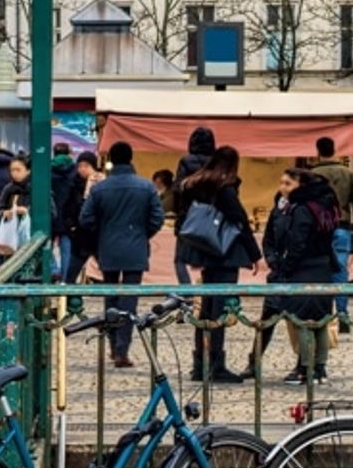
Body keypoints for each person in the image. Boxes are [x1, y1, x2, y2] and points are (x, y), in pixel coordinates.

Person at [80, 142, 167, 368]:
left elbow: (86, 219)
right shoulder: (146, 187)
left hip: (107, 248)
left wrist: (103, 234)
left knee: (110, 298)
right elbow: (157, 218)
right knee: (130, 300)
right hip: (135, 248)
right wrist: (142, 233)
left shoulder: (100, 188)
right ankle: (122, 349)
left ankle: (112, 344)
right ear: (130, 158)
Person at [179, 145, 261, 383]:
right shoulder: (225, 188)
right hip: (224, 252)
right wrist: (254, 253)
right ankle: (215, 364)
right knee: (219, 308)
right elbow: (240, 221)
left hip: (206, 251)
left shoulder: (194, 184)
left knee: (206, 307)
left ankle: (200, 363)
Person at [262, 168, 341, 385]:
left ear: (301, 185)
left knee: (304, 320)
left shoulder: (302, 209)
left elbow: (298, 242)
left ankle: (306, 368)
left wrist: (286, 269)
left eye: (288, 183)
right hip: (323, 266)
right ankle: (319, 368)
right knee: (320, 319)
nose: (282, 187)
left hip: (305, 268)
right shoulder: (323, 204)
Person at [311, 136, 353, 328]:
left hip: (318, 228)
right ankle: (342, 313)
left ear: (317, 151)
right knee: (340, 269)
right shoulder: (348, 174)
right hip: (342, 225)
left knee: (319, 268)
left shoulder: (312, 174)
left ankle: (322, 313)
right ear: (335, 150)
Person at [173, 126, 217, 290]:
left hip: (189, 217)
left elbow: (178, 190)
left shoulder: (186, 161)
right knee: (209, 260)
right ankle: (205, 293)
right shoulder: (217, 162)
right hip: (212, 218)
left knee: (180, 259)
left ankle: (187, 291)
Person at [62, 151, 102, 286]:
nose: (82, 169)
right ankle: (68, 302)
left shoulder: (103, 185)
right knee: (71, 275)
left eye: (86, 166)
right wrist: (71, 228)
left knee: (108, 274)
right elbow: (68, 209)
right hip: (80, 237)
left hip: (99, 236)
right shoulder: (73, 185)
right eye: (79, 166)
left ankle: (112, 303)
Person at [48, 142, 79, 280]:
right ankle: (65, 279)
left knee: (45, 246)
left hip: (51, 214)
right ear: (68, 153)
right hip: (68, 216)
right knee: (66, 250)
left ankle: (54, 269)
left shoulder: (47, 170)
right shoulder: (74, 170)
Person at [0, 156, 32, 256]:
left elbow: (50, 213)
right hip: (11, 241)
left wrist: (27, 211)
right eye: (12, 170)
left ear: (28, 170)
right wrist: (5, 214)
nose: (14, 173)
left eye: (18, 170)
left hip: (30, 239)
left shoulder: (36, 187)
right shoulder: (8, 189)